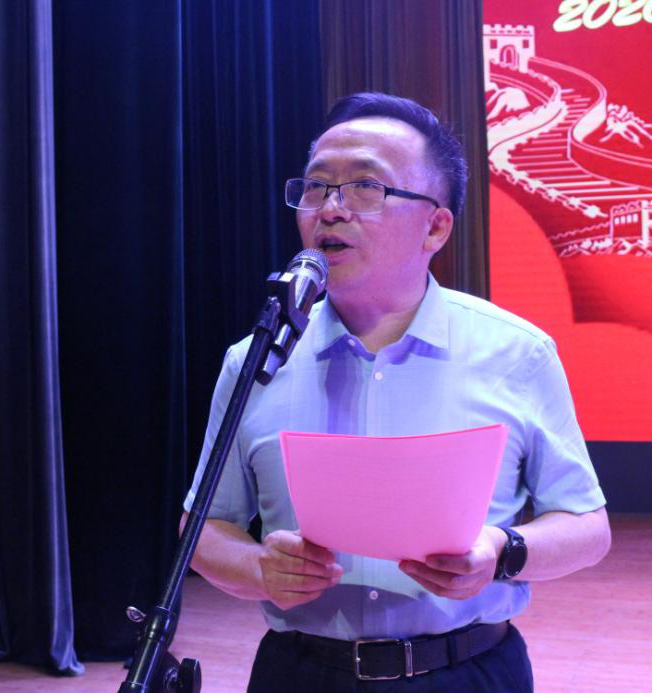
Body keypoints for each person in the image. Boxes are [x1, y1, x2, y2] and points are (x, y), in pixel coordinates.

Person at [181, 92, 610, 692]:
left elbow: (587, 526)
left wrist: (501, 551)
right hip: (301, 674)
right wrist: (258, 567)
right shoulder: (257, 359)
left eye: (365, 187)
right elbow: (202, 528)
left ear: (435, 226)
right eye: (316, 187)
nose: (331, 209)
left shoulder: (516, 353)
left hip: (466, 672)